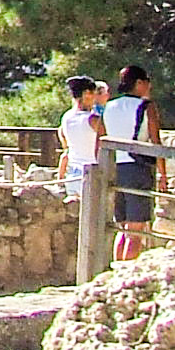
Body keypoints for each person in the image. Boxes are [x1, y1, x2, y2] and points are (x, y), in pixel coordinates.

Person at [101, 65, 157, 260]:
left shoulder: (109, 106)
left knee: (123, 229)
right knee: (136, 231)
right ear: (139, 83)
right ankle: (127, 277)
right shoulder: (146, 106)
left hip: (116, 167)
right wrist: (163, 175)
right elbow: (156, 142)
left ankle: (116, 271)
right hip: (137, 168)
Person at [56, 76, 104, 199]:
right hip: (91, 172)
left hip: (72, 173)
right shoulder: (93, 119)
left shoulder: (66, 117)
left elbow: (65, 144)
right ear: (87, 94)